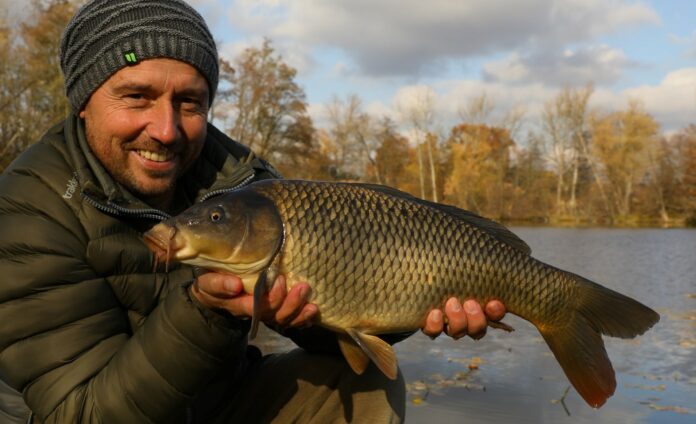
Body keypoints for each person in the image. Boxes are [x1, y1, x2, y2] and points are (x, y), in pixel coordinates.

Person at [0, 0, 507, 422]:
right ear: (83, 100)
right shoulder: (28, 210)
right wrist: (208, 311)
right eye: (136, 97)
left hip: (212, 404)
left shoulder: (239, 181)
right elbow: (82, 412)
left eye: (190, 103)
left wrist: (410, 303)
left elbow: (333, 308)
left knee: (361, 382)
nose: (166, 129)